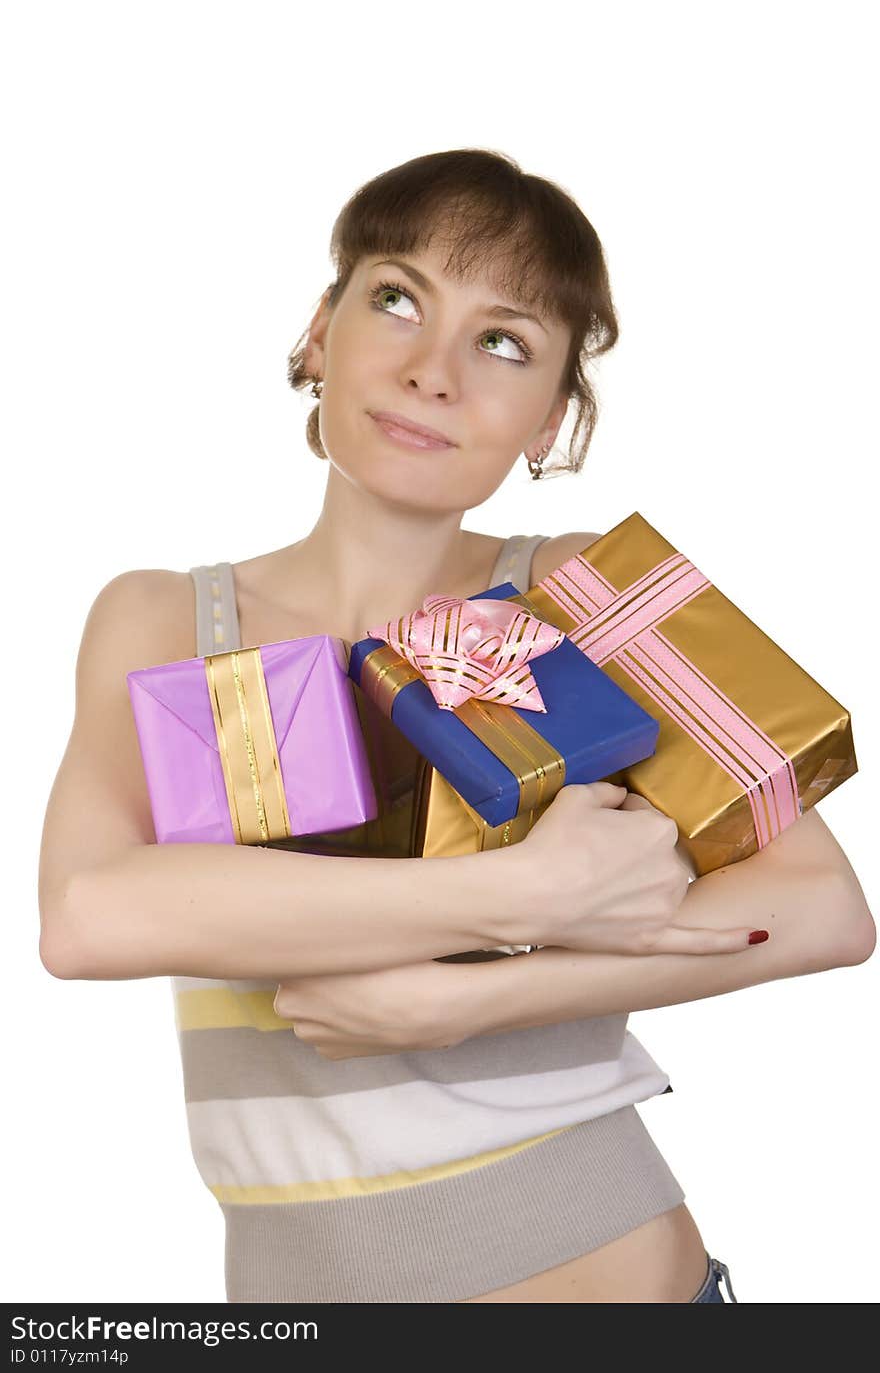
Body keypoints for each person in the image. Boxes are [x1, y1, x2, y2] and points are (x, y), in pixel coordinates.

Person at [38, 148, 874, 1304]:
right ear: (318, 335)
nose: (433, 371)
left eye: (503, 342)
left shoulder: (589, 590)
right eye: (396, 300)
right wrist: (514, 898)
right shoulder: (167, 618)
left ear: (551, 418)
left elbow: (822, 910)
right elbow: (87, 917)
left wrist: (467, 995)